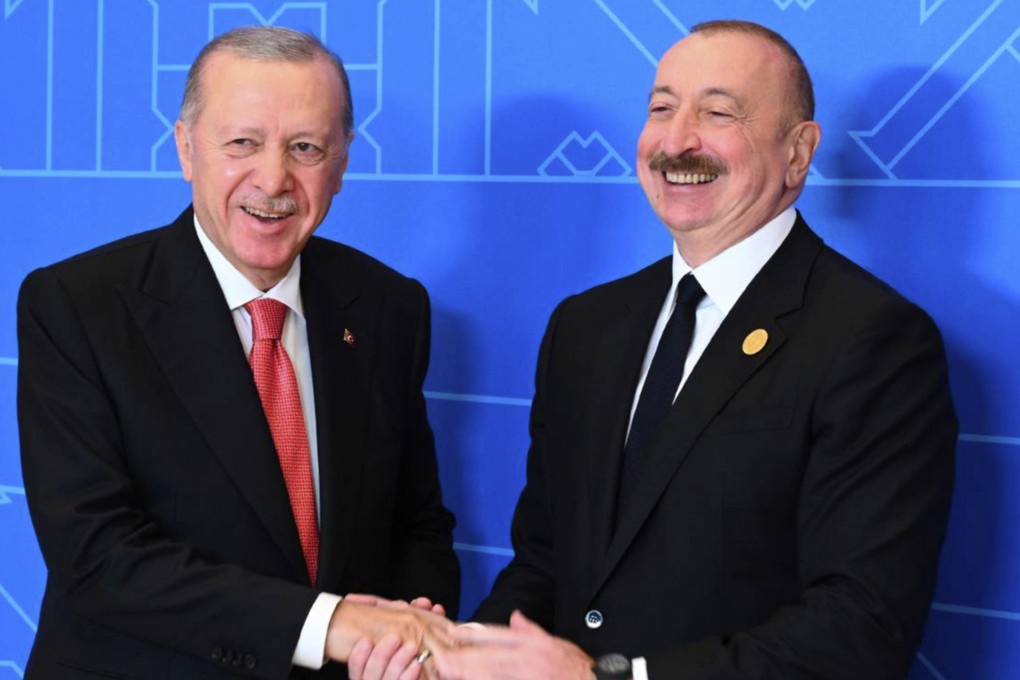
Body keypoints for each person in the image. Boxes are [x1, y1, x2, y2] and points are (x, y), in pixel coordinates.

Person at [416, 19, 955, 680]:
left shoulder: (872, 340)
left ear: (798, 151)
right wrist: (456, 652)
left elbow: (862, 625)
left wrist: (609, 679)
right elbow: (546, 564)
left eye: (717, 112)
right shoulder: (585, 326)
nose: (676, 140)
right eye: (661, 109)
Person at [17, 26, 459, 679]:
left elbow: (416, 522)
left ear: (342, 162)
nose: (273, 178)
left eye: (305, 147)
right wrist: (330, 625)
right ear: (186, 148)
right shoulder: (79, 305)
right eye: (242, 143)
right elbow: (97, 554)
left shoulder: (390, 307)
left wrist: (409, 632)